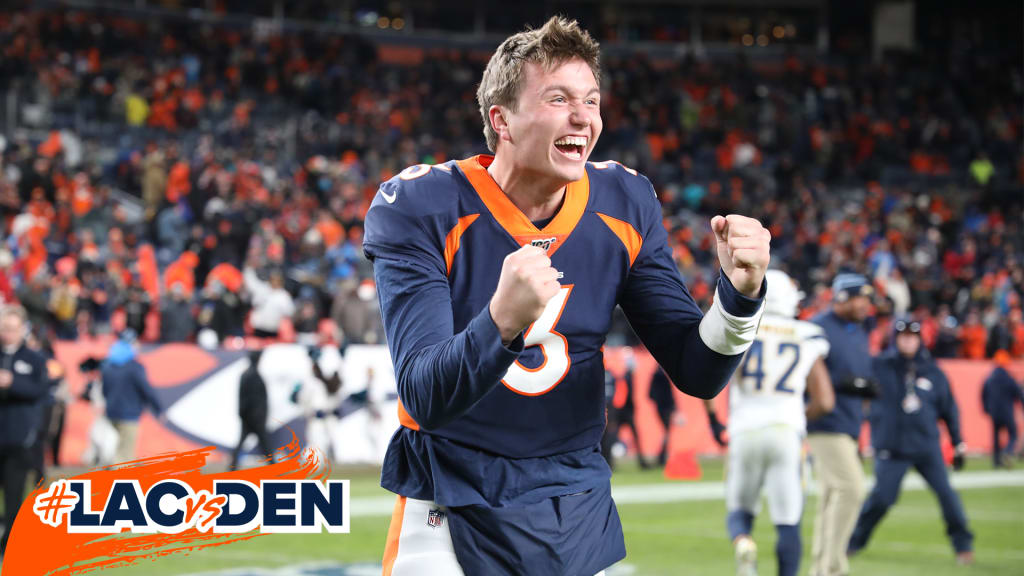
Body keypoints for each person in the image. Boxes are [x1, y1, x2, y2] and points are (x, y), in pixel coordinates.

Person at [363, 17, 771, 576]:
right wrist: (500, 322)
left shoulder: (624, 200)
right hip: (452, 495)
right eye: (558, 99)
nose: (583, 117)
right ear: (500, 120)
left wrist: (739, 297)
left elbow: (697, 371)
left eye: (591, 100)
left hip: (574, 501)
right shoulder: (424, 205)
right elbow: (424, 394)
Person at [706, 270, 835, 576]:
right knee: (788, 520)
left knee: (740, 509)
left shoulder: (743, 329)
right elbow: (826, 400)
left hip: (745, 429)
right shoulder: (807, 334)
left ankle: (744, 543)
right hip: (785, 430)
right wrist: (800, 416)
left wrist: (715, 421)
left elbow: (712, 382)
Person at [848, 319, 974, 564]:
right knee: (881, 499)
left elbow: (950, 409)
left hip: (926, 447)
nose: (908, 340)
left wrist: (958, 443)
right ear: (896, 339)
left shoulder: (933, 371)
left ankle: (963, 546)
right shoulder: (879, 365)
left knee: (947, 496)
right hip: (891, 447)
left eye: (912, 336)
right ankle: (854, 542)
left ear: (919, 339)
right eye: (903, 336)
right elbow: (860, 395)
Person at [806, 273, 876, 576]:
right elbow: (808, 373)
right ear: (842, 298)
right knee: (851, 488)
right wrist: (844, 383)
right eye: (859, 297)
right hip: (825, 421)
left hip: (849, 422)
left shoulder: (857, 331)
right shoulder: (819, 328)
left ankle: (821, 566)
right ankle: (833, 567)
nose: (866, 305)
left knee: (832, 494)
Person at [0, 305, 49, 557]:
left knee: (14, 496)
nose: (8, 333)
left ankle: (10, 546)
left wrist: (12, 383)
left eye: (12, 328)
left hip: (19, 439)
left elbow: (40, 391)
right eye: (5, 328)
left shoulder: (34, 359)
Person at [100, 330, 163, 463]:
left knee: (117, 451)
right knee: (125, 456)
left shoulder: (108, 366)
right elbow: (146, 390)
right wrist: (158, 409)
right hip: (128, 415)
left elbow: (104, 391)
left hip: (111, 414)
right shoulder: (134, 367)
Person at [230, 349, 275, 470]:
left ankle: (232, 467)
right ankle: (232, 467)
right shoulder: (252, 376)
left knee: (262, 445)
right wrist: (251, 416)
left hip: (250, 417)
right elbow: (249, 399)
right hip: (253, 418)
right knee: (264, 445)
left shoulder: (247, 375)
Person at [981, 350, 1023, 468]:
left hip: (994, 411)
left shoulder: (990, 378)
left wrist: (986, 408)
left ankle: (996, 462)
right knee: (1013, 433)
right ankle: (1007, 451)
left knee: (995, 437)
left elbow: (983, 394)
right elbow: (1018, 393)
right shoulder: (1009, 378)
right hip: (1007, 411)